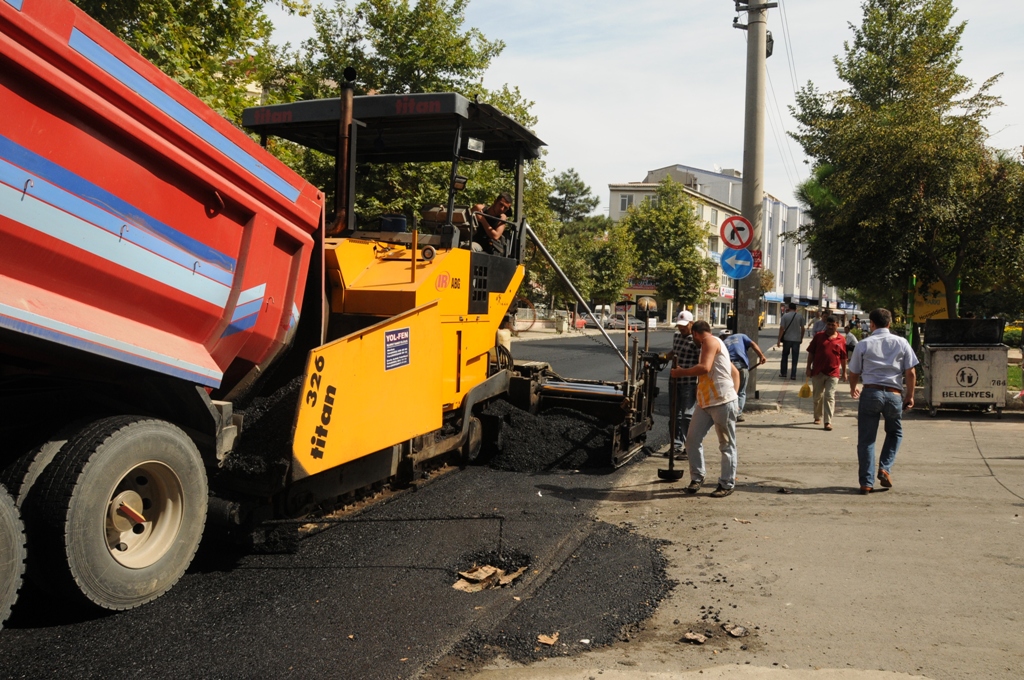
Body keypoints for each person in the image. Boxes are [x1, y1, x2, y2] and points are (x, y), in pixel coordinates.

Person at [848, 308, 919, 494]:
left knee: (867, 439)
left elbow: (854, 371)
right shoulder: (902, 342)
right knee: (895, 433)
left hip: (871, 393)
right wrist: (910, 395)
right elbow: (910, 372)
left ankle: (866, 482)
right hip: (894, 394)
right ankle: (885, 468)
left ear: (871, 323)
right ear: (889, 323)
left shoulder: (863, 344)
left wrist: (852, 387)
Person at [672, 320, 741, 498]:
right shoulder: (716, 345)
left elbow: (704, 368)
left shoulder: (709, 341)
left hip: (721, 403)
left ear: (695, 333)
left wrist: (681, 372)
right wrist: (735, 393)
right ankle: (697, 477)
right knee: (692, 440)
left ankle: (726, 483)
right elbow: (735, 372)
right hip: (705, 403)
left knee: (726, 445)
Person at [805, 315, 848, 431]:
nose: (830, 327)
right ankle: (817, 416)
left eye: (833, 325)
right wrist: (808, 368)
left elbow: (844, 358)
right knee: (817, 397)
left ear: (837, 325)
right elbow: (811, 353)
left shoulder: (842, 339)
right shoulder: (819, 337)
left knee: (829, 396)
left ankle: (828, 421)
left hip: (833, 373)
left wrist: (844, 372)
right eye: (828, 324)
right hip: (818, 371)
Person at [667, 310, 700, 456]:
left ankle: (689, 446)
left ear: (691, 324)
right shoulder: (676, 336)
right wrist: (660, 358)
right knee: (675, 415)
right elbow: (674, 352)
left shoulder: (696, 340)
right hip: (674, 380)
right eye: (679, 326)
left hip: (689, 382)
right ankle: (676, 444)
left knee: (687, 415)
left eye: (684, 326)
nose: (681, 329)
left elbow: (701, 363)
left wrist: (699, 384)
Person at [722, 330, 768, 422]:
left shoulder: (722, 343)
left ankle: (728, 412)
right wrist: (761, 356)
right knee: (741, 392)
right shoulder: (741, 336)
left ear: (722, 337)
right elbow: (753, 344)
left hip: (729, 367)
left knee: (730, 391)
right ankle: (738, 414)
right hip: (741, 366)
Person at [776, 302, 805, 380]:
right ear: (795, 308)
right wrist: (801, 338)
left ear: (788, 308)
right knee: (795, 358)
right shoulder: (800, 316)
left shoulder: (785, 316)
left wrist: (779, 339)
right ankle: (793, 375)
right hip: (796, 340)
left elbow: (782, 328)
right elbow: (803, 329)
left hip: (787, 339)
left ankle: (783, 373)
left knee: (785, 356)